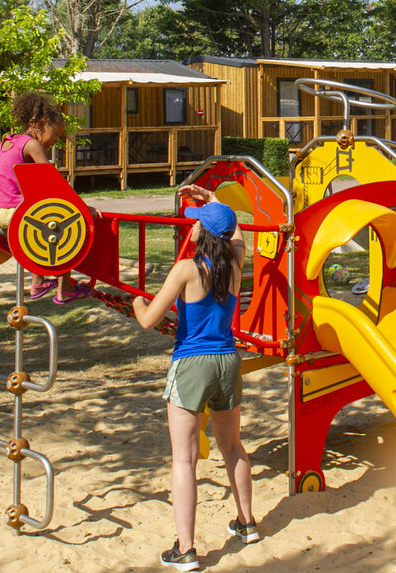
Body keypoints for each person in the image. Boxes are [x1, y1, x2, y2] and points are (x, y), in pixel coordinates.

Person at [132, 185, 256, 572]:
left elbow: (150, 319)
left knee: (184, 461)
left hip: (192, 363)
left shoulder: (187, 269)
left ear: (202, 233)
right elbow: (236, 234)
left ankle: (185, 549)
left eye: (199, 224)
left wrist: (137, 300)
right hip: (228, 361)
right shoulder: (235, 265)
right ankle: (247, 523)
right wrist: (215, 202)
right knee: (232, 446)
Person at [0, 92, 78, 303]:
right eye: (56, 134)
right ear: (42, 124)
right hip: (13, 212)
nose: (56, 141)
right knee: (67, 223)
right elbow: (52, 181)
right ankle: (65, 287)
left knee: (46, 221)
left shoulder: (9, 142)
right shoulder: (31, 145)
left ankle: (39, 281)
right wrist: (81, 207)